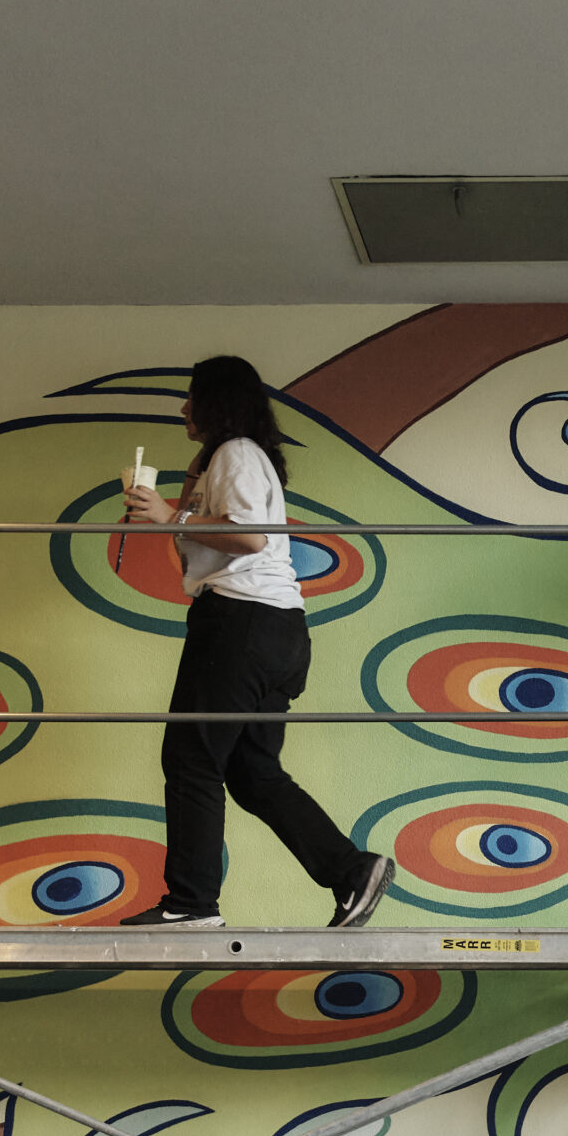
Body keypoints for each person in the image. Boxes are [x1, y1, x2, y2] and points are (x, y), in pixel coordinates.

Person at [116, 355, 394, 928]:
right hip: (278, 631)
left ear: (217, 401)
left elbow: (249, 535)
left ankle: (191, 905)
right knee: (251, 773)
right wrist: (183, 494)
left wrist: (172, 516)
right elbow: (212, 531)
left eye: (193, 397)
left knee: (191, 758)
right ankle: (351, 870)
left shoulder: (236, 452)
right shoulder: (233, 456)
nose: (184, 408)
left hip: (239, 624)